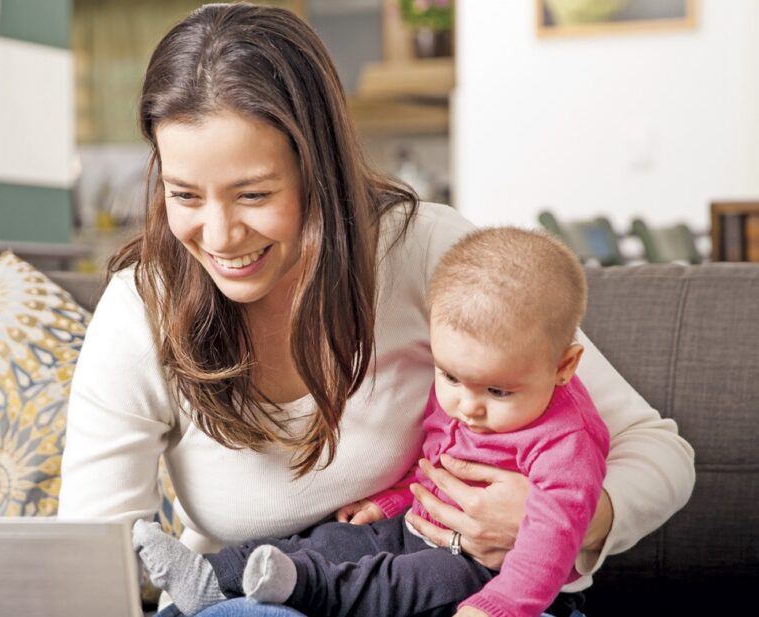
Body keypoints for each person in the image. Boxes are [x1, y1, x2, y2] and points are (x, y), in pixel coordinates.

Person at [58, 4, 695, 616]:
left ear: (319, 171)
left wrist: (563, 518)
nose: (220, 235)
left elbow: (656, 450)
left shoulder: (426, 252)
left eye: (254, 194)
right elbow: (93, 560)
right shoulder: (143, 309)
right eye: (185, 195)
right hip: (248, 598)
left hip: (437, 581)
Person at [131, 227, 609, 617]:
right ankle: (212, 577)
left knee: (412, 581)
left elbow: (553, 540)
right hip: (415, 525)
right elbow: (437, 464)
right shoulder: (467, 387)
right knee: (330, 539)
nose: (468, 406)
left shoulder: (566, 440)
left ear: (564, 366)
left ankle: (299, 588)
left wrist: (500, 607)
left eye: (498, 391)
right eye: (451, 377)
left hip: (494, 574)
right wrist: (393, 498)